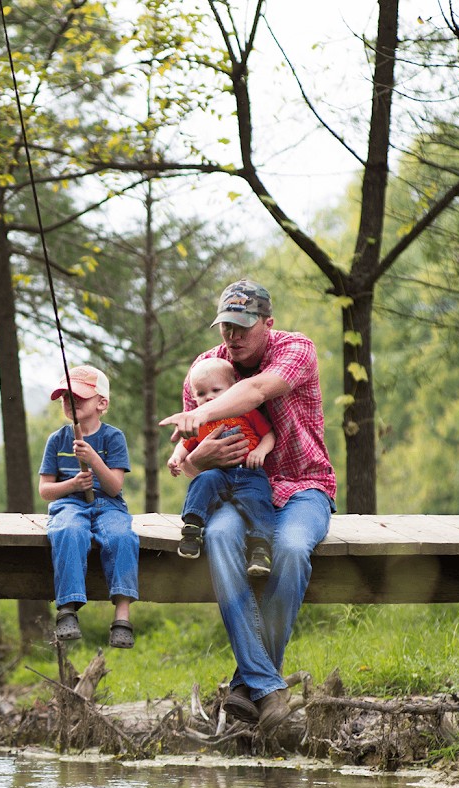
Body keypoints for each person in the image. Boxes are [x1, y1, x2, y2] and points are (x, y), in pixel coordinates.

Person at [160, 279, 337, 744]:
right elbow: (191, 457)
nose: (232, 338)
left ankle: (249, 683)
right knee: (218, 537)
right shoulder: (205, 368)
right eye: (225, 328)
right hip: (234, 489)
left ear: (267, 323)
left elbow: (259, 391)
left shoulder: (296, 349)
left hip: (303, 484)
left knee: (294, 548)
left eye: (242, 327)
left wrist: (203, 414)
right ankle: (268, 688)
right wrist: (197, 458)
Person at [38, 365, 140, 648]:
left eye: (78, 398)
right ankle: (67, 609)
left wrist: (93, 459)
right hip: (69, 504)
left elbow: (115, 487)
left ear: (101, 403)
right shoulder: (57, 440)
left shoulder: (113, 438)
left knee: (121, 537)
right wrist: (72, 485)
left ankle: (122, 615)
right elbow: (46, 491)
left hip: (108, 504)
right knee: (69, 531)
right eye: (65, 399)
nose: (70, 404)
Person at [167, 358, 276, 576]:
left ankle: (260, 547)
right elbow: (185, 444)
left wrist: (259, 452)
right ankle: (192, 528)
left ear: (233, 389)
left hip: (249, 471)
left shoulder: (245, 411)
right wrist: (176, 458)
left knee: (259, 498)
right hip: (219, 473)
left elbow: (269, 435)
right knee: (203, 481)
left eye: (216, 390)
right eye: (200, 393)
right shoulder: (199, 422)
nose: (208, 397)